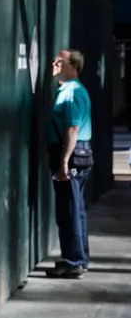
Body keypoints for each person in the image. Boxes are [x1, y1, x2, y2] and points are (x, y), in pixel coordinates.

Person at [45, 49, 93, 279]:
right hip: (79, 156)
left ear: (72, 65)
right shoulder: (72, 90)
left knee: (69, 211)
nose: (54, 62)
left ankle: (73, 262)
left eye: (60, 60)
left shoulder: (71, 93)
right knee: (76, 210)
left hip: (71, 157)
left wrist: (64, 160)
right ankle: (78, 259)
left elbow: (72, 129)